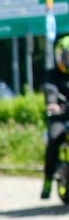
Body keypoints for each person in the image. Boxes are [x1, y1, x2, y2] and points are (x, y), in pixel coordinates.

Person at [42, 36, 69, 199]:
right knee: (53, 140)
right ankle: (47, 180)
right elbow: (50, 90)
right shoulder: (53, 74)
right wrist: (53, 104)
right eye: (66, 56)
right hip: (60, 117)